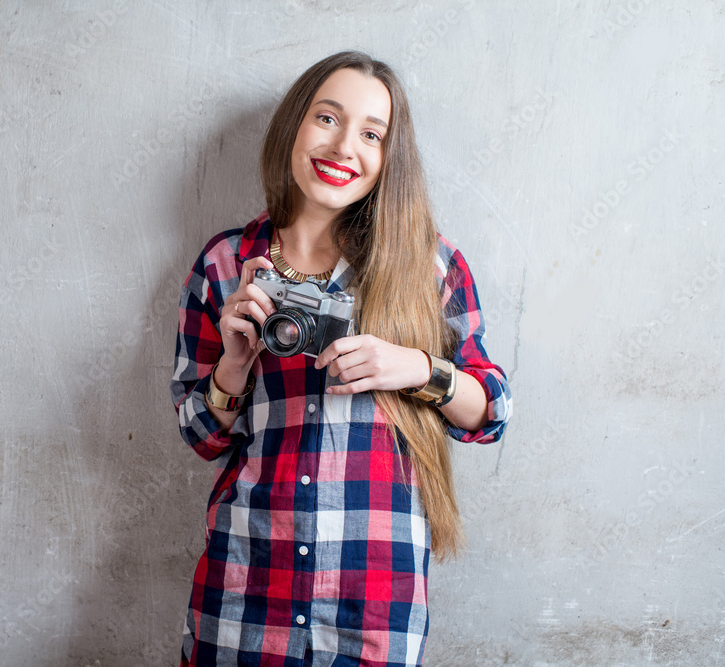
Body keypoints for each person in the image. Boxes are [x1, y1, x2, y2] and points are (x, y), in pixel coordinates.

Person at [170, 51, 512, 666]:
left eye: (372, 134)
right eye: (327, 118)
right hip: (247, 586)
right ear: (295, 126)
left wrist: (418, 368)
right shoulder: (227, 264)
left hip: (376, 597)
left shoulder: (428, 265)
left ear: (388, 158)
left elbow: (493, 411)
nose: (344, 146)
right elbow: (199, 435)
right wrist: (234, 365)